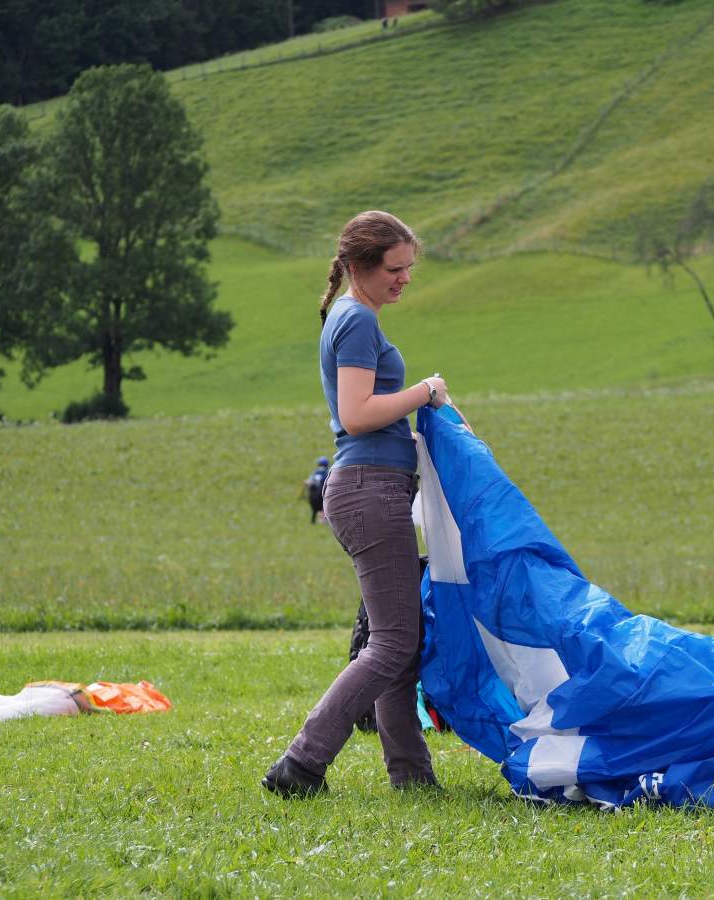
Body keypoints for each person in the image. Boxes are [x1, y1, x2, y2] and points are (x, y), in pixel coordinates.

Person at [262, 210, 448, 798]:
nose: (405, 279)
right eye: (395, 269)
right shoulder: (357, 321)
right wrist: (425, 391)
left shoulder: (351, 317)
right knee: (392, 642)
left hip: (371, 487)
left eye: (409, 268)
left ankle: (412, 777)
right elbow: (357, 414)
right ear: (359, 266)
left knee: (399, 640)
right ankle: (300, 764)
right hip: (371, 492)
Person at [304, 456, 330, 524]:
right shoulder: (327, 472)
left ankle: (313, 521)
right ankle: (323, 520)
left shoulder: (315, 472)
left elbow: (309, 481)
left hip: (313, 494)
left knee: (314, 508)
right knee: (323, 507)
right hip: (322, 493)